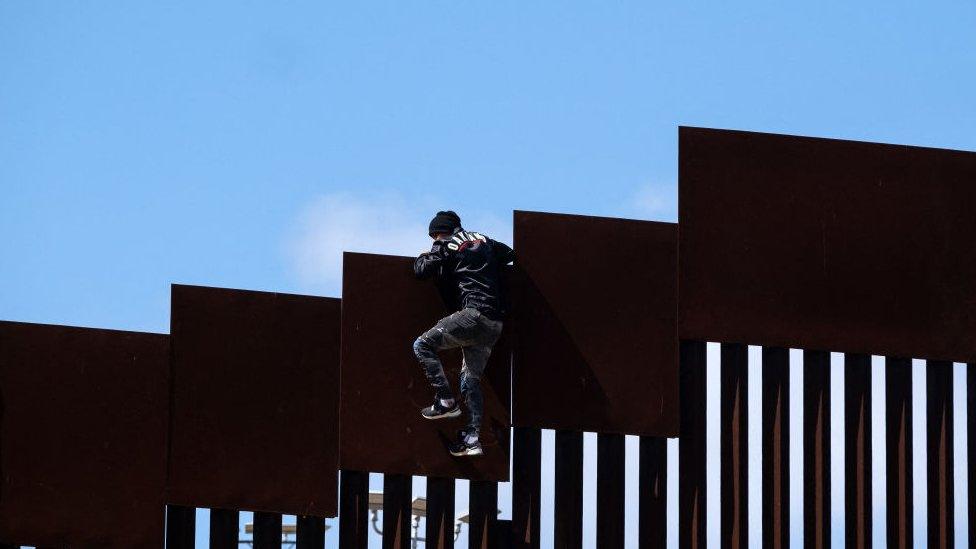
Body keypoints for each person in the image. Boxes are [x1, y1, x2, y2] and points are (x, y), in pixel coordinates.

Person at [413, 210, 515, 456]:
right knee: (470, 381)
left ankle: (446, 401)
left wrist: (431, 251)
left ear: (440, 231)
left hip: (472, 315)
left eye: (434, 235)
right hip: (493, 324)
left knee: (422, 345)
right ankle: (471, 439)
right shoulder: (486, 240)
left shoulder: (445, 244)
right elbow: (509, 255)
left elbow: (422, 270)